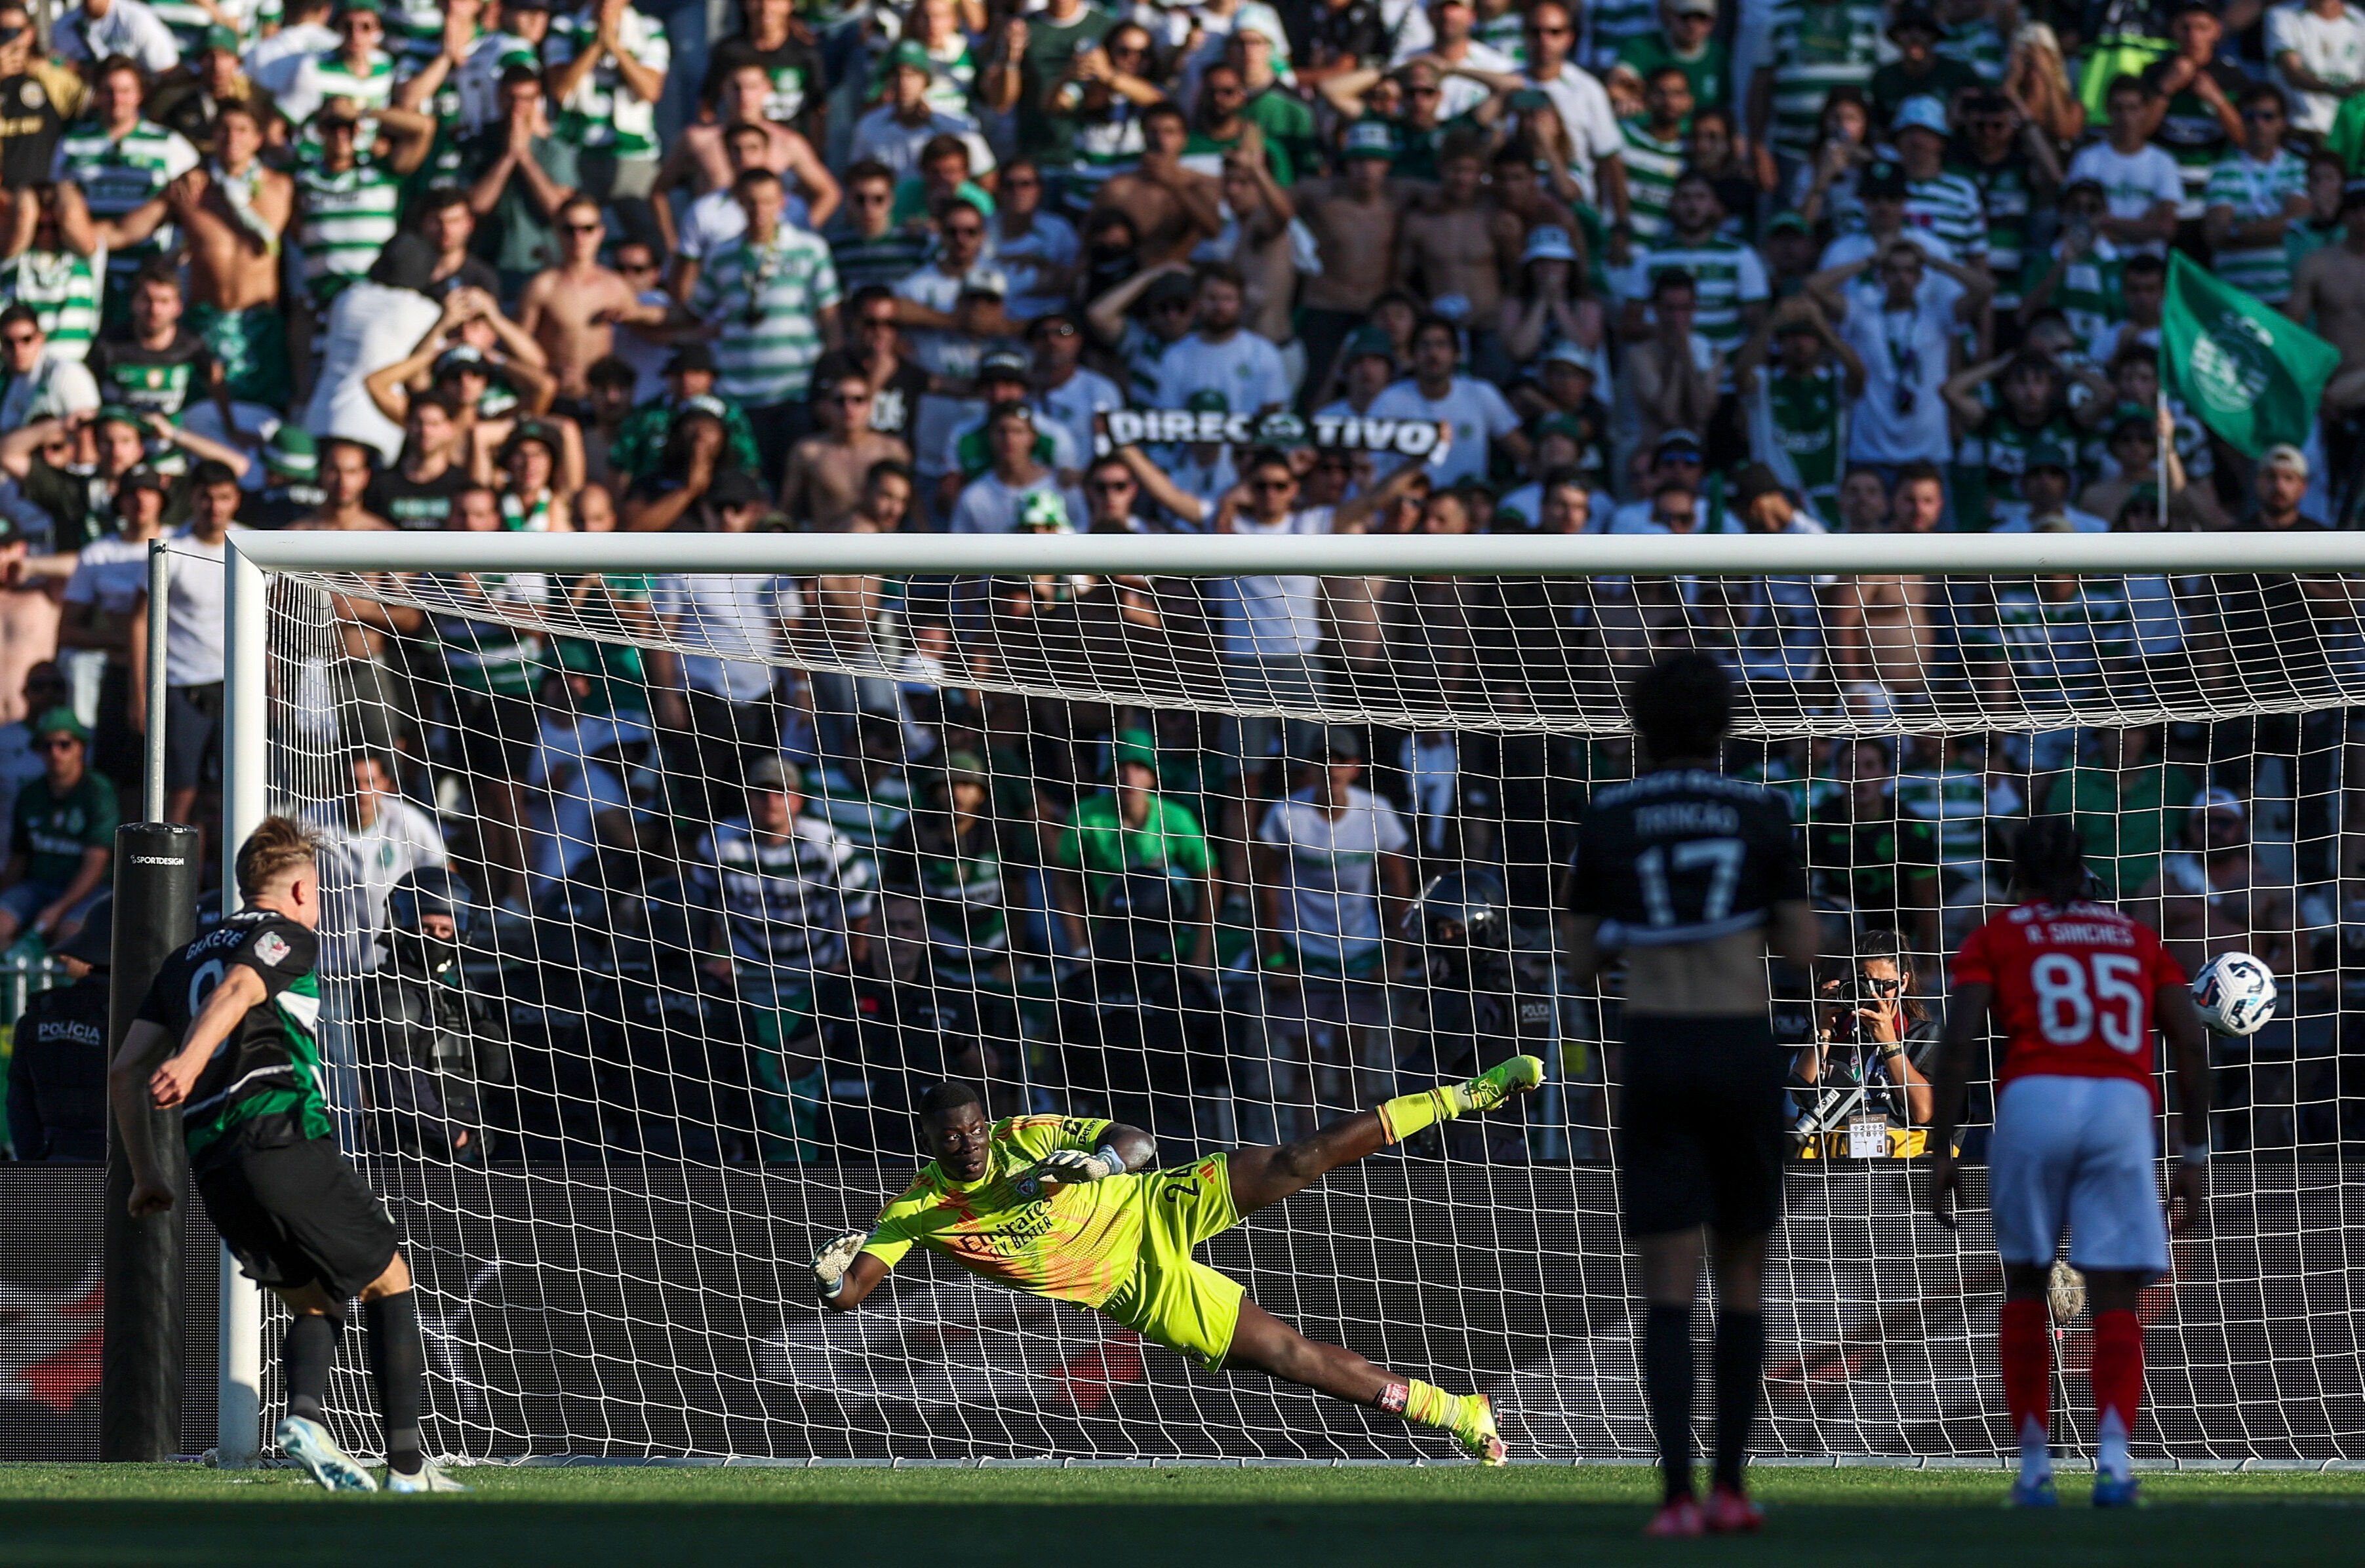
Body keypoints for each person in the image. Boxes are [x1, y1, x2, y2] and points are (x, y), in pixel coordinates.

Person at [813, 1065, 1538, 1460]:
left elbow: (1137, 1141)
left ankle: (1465, 1094)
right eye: (952, 1138)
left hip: (1154, 1205)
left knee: (1294, 1159)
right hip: (1139, 1286)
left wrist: (1097, 1163)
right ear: (930, 1141)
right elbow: (853, 1294)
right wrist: (829, 1277)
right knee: (1288, 1355)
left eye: (974, 1129)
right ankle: (1459, 1412)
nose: (969, 1145)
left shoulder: (1025, 1134)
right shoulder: (914, 1211)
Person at [108, 817, 463, 1493]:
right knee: (391, 1278)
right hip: (279, 1133)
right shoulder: (285, 936)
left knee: (318, 1296)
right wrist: (187, 1060)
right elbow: (239, 988)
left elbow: (123, 1072)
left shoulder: (180, 959)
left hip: (213, 1166)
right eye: (320, 890)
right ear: (298, 889)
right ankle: (412, 1470)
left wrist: (150, 1175)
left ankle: (303, 1418)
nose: (323, 903)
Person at [1559, 651, 1819, 1535]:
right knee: (1740, 1277)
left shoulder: (1607, 814)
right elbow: (1799, 945)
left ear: (1637, 726)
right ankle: (1732, 1488)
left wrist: (1643, 928)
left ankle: (1674, 1497)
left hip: (1657, 1049)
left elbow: (1580, 958)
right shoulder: (1761, 809)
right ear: (1722, 728)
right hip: (1739, 1045)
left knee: (1665, 1285)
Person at [1927, 817, 2211, 1509]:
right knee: (2114, 1295)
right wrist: (2193, 1150)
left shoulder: (1996, 934)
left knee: (2025, 1282)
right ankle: (2113, 1465)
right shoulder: (2133, 936)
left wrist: (1943, 1145)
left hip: (2031, 1098)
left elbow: (1959, 1037)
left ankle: (2033, 1472)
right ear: (2084, 871)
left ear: (2016, 877)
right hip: (2120, 1102)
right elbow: (2188, 1037)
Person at [684, 165, 843, 487]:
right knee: (748, 487)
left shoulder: (810, 249)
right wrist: (639, 315)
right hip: (739, 394)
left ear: (783, 202)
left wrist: (831, 382)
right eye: (752, 202)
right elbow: (694, 313)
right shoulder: (722, 255)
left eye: (768, 202)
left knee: (793, 487)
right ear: (739, 203)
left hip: (795, 390)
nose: (760, 211)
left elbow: (831, 321)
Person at [300, 747, 449, 977]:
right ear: (338, 785)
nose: (362, 791)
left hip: (393, 967)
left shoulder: (408, 821)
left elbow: (444, 875)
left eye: (370, 781)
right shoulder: (311, 824)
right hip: (329, 967)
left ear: (385, 784)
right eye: (353, 782)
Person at [516, 195, 667, 404]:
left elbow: (657, 325)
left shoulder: (615, 286)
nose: (579, 237)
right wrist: (547, 370)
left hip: (603, 401)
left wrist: (639, 313)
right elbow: (517, 345)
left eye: (588, 228)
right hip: (557, 398)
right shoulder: (542, 287)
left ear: (600, 233)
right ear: (557, 233)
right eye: (570, 229)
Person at [1791, 927, 1936, 1137]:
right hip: (1833, 1153)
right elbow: (1799, 1094)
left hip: (1899, 1157)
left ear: (1903, 982)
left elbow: (1923, 1113)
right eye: (1866, 984)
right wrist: (1823, 1029)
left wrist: (1890, 1044)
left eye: (1884, 985)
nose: (1875, 994)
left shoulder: (1924, 1035)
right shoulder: (1834, 1029)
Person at [5, 897, 110, 1161]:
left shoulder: (41, 1012)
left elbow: (20, 1106)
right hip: (128, 1176)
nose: (64, 956)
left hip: (54, 1162)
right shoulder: (148, 1016)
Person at [0, 706, 113, 948]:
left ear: (80, 747)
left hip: (91, 889)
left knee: (71, 935)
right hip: (39, 886)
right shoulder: (31, 794)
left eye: (64, 744)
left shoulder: (99, 793)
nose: (55, 753)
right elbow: (19, 858)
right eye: (46, 745)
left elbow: (96, 863)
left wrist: (59, 909)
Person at [780, 355, 910, 530]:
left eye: (858, 400)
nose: (849, 408)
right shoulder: (809, 452)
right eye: (840, 401)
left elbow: (914, 506)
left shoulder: (893, 450)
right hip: (827, 549)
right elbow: (787, 508)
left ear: (870, 406)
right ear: (827, 407)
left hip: (883, 550)